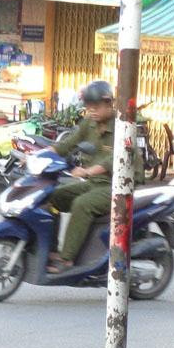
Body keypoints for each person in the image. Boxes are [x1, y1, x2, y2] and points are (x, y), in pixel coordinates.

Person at [47, 81, 141, 273]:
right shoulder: (89, 123)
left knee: (82, 204)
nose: (92, 111)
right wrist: (37, 155)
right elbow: (67, 144)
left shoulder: (123, 126)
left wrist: (87, 171)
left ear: (109, 104)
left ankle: (66, 260)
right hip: (94, 183)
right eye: (89, 107)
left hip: (119, 186)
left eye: (96, 107)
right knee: (52, 197)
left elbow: (115, 160)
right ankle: (52, 249)